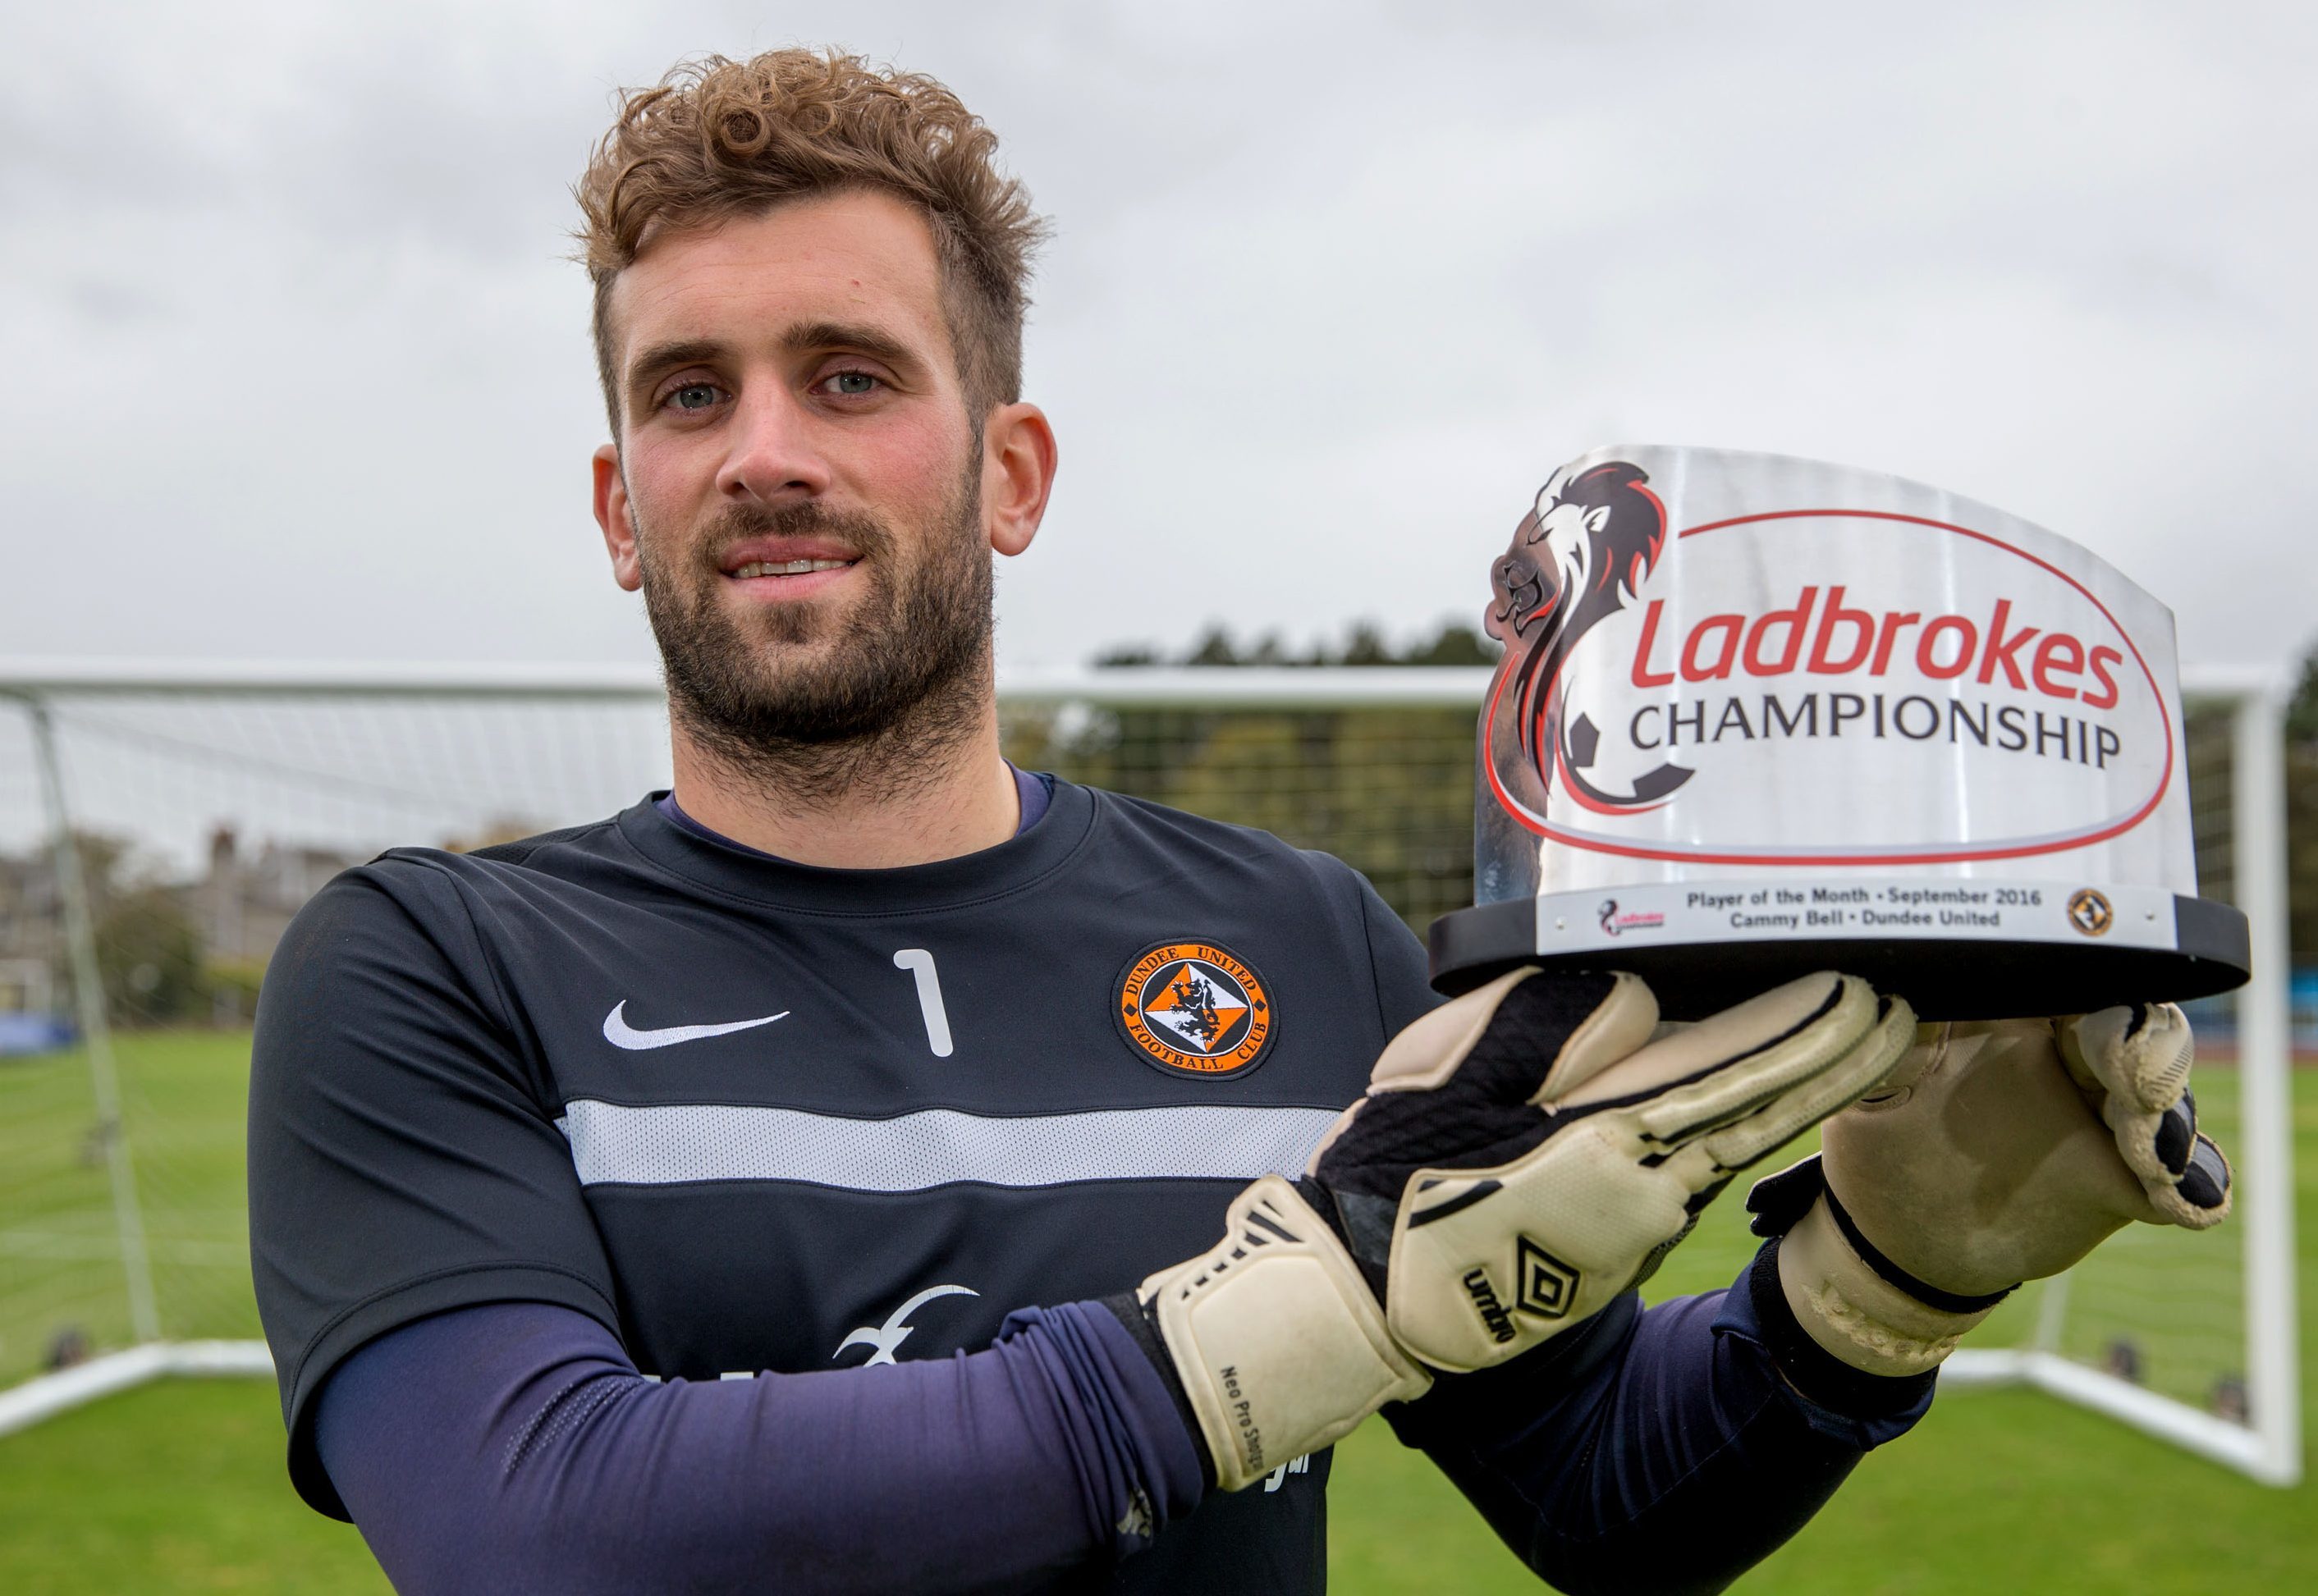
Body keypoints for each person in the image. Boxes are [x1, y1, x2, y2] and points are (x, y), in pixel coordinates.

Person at [246, 49, 2233, 1595]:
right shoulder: (430, 965)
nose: (764, 450)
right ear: (617, 507)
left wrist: (1872, 1288)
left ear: (1009, 469)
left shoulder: (1304, 942)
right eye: (688, 395)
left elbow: (1605, 1505)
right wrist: (1301, 1317)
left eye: (850, 376)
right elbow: (537, 1536)